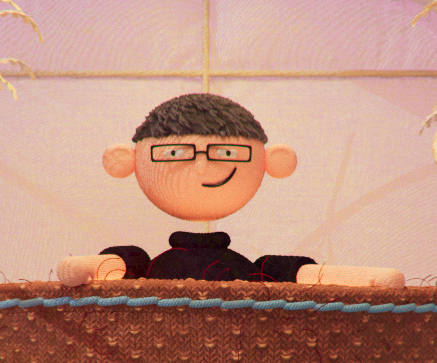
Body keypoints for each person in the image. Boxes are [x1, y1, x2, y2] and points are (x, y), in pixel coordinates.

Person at [55, 93, 404, 287]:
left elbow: (305, 277)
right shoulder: (136, 262)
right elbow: (97, 270)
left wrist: (370, 281)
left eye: (225, 154)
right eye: (175, 154)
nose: (202, 167)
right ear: (125, 161)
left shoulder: (264, 270)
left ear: (273, 161)